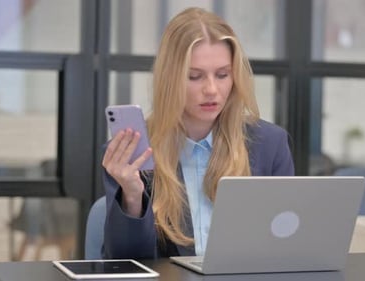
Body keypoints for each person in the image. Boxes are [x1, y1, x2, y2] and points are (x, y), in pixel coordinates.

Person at [101, 7, 295, 259]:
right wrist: (132, 195)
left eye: (223, 75)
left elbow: (288, 247)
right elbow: (123, 263)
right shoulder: (132, 152)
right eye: (195, 77)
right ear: (170, 79)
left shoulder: (269, 144)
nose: (212, 89)